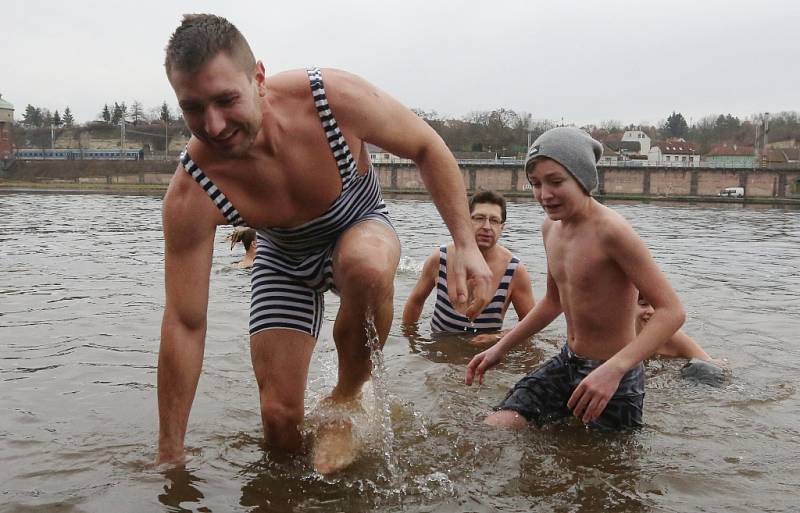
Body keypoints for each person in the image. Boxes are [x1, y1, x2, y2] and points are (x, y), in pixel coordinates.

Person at [157, 14, 493, 474]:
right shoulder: (193, 188)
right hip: (283, 259)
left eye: (225, 100)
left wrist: (465, 244)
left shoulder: (329, 98)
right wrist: (170, 453)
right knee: (279, 420)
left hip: (359, 225)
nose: (213, 126)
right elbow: (184, 322)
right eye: (193, 107)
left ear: (258, 77)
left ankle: (348, 397)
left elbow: (427, 147)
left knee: (368, 264)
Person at [465, 127, 686, 431]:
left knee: (599, 469)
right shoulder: (550, 229)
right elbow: (553, 302)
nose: (544, 194)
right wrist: (500, 347)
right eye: (536, 184)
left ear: (583, 178)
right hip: (567, 362)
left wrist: (615, 369)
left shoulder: (612, 232)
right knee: (496, 426)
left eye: (556, 182)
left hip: (615, 374)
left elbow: (672, 311)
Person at [402, 190, 535, 346]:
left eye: (494, 220)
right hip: (439, 346)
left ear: (502, 227)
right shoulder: (440, 258)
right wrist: (411, 343)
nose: (486, 226)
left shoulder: (514, 271)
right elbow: (415, 302)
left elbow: (531, 325)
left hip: (484, 354)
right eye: (479, 218)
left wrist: (497, 338)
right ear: (466, 221)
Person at [636, 291, 727, 385]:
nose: (652, 311)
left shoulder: (670, 336)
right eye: (644, 304)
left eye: (656, 306)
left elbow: (710, 362)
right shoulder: (620, 336)